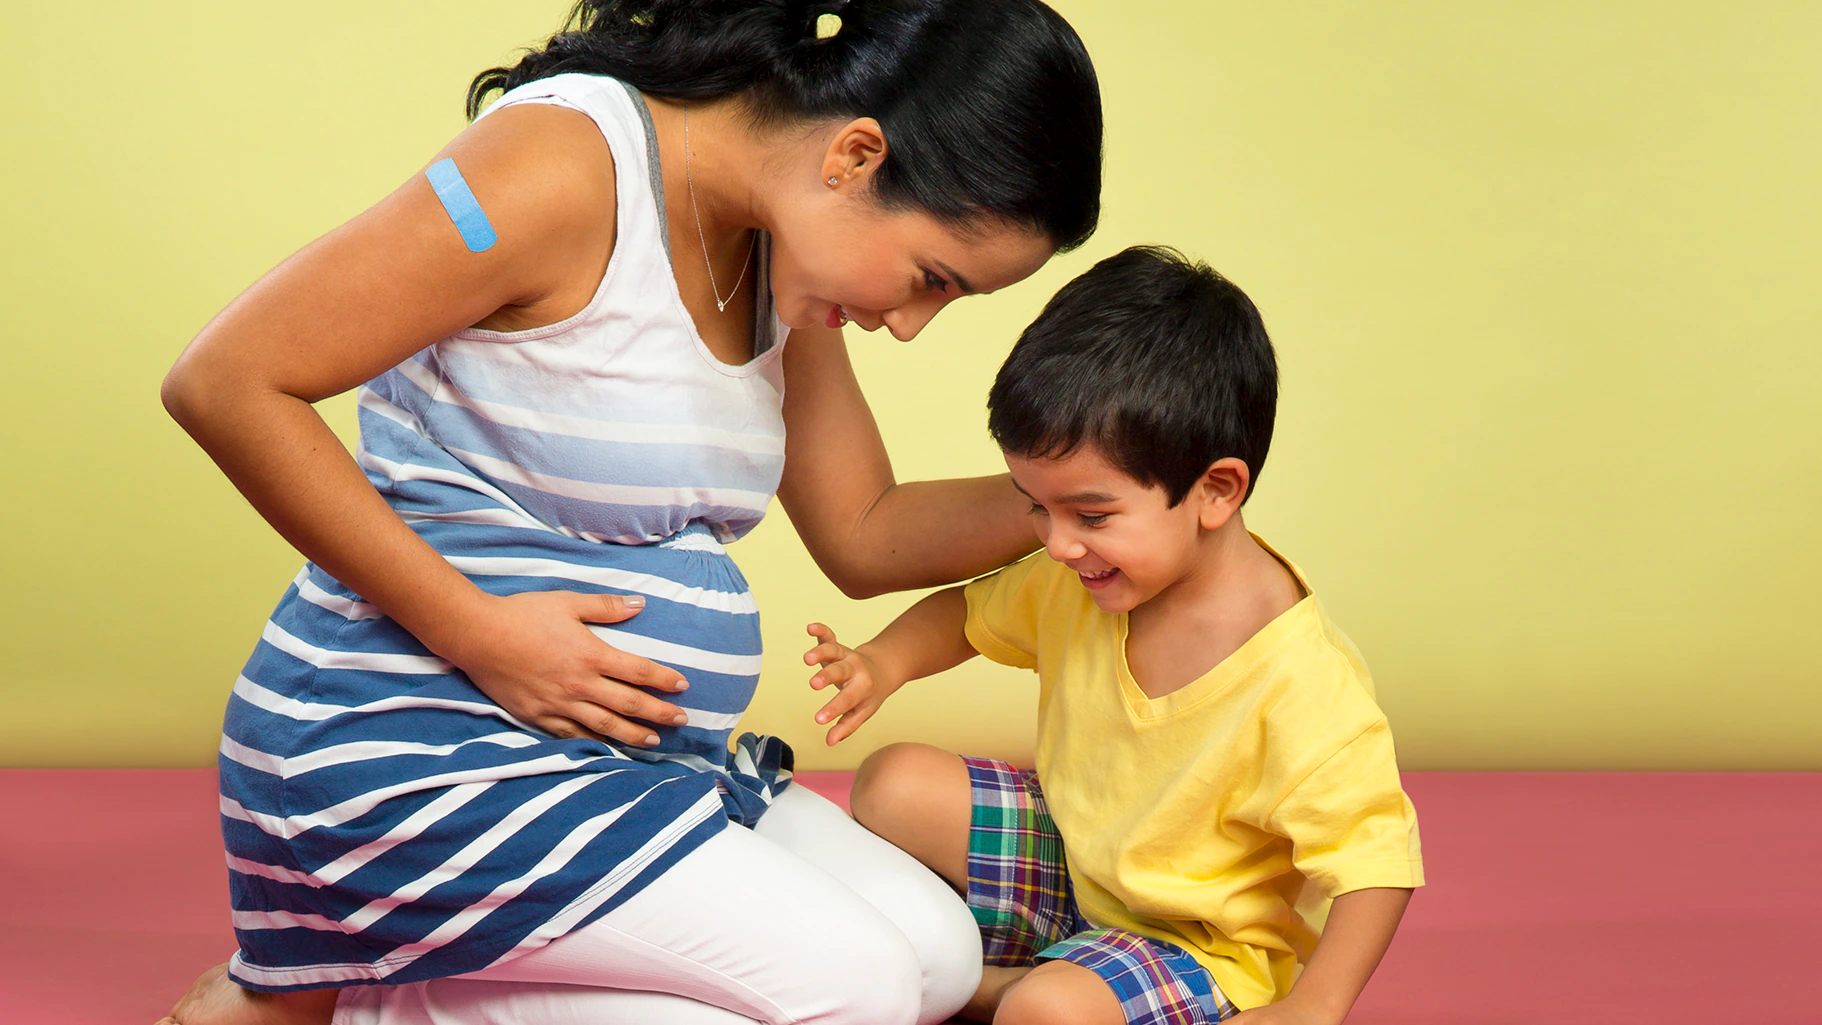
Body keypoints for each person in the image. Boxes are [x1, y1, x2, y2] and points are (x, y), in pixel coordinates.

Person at [155, 1, 1102, 1023]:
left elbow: (865, 529)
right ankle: (363, 990)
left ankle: (406, 979)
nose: (912, 324)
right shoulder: (560, 165)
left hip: (629, 770)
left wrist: (1101, 492)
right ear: (854, 156)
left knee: (933, 957)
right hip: (417, 750)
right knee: (856, 986)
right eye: (931, 278)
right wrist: (479, 631)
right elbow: (227, 380)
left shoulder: (779, 254)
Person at [801, 247, 1425, 1025]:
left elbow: (1376, 859)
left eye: (1091, 515)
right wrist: (881, 661)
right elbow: (966, 612)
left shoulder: (1299, 680)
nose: (1057, 543)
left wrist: (1316, 1004)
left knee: (1050, 1011)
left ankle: (999, 986)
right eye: (1037, 506)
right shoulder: (1087, 575)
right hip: (1077, 860)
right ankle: (1021, 971)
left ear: (1216, 491)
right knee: (891, 782)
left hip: (1193, 943)